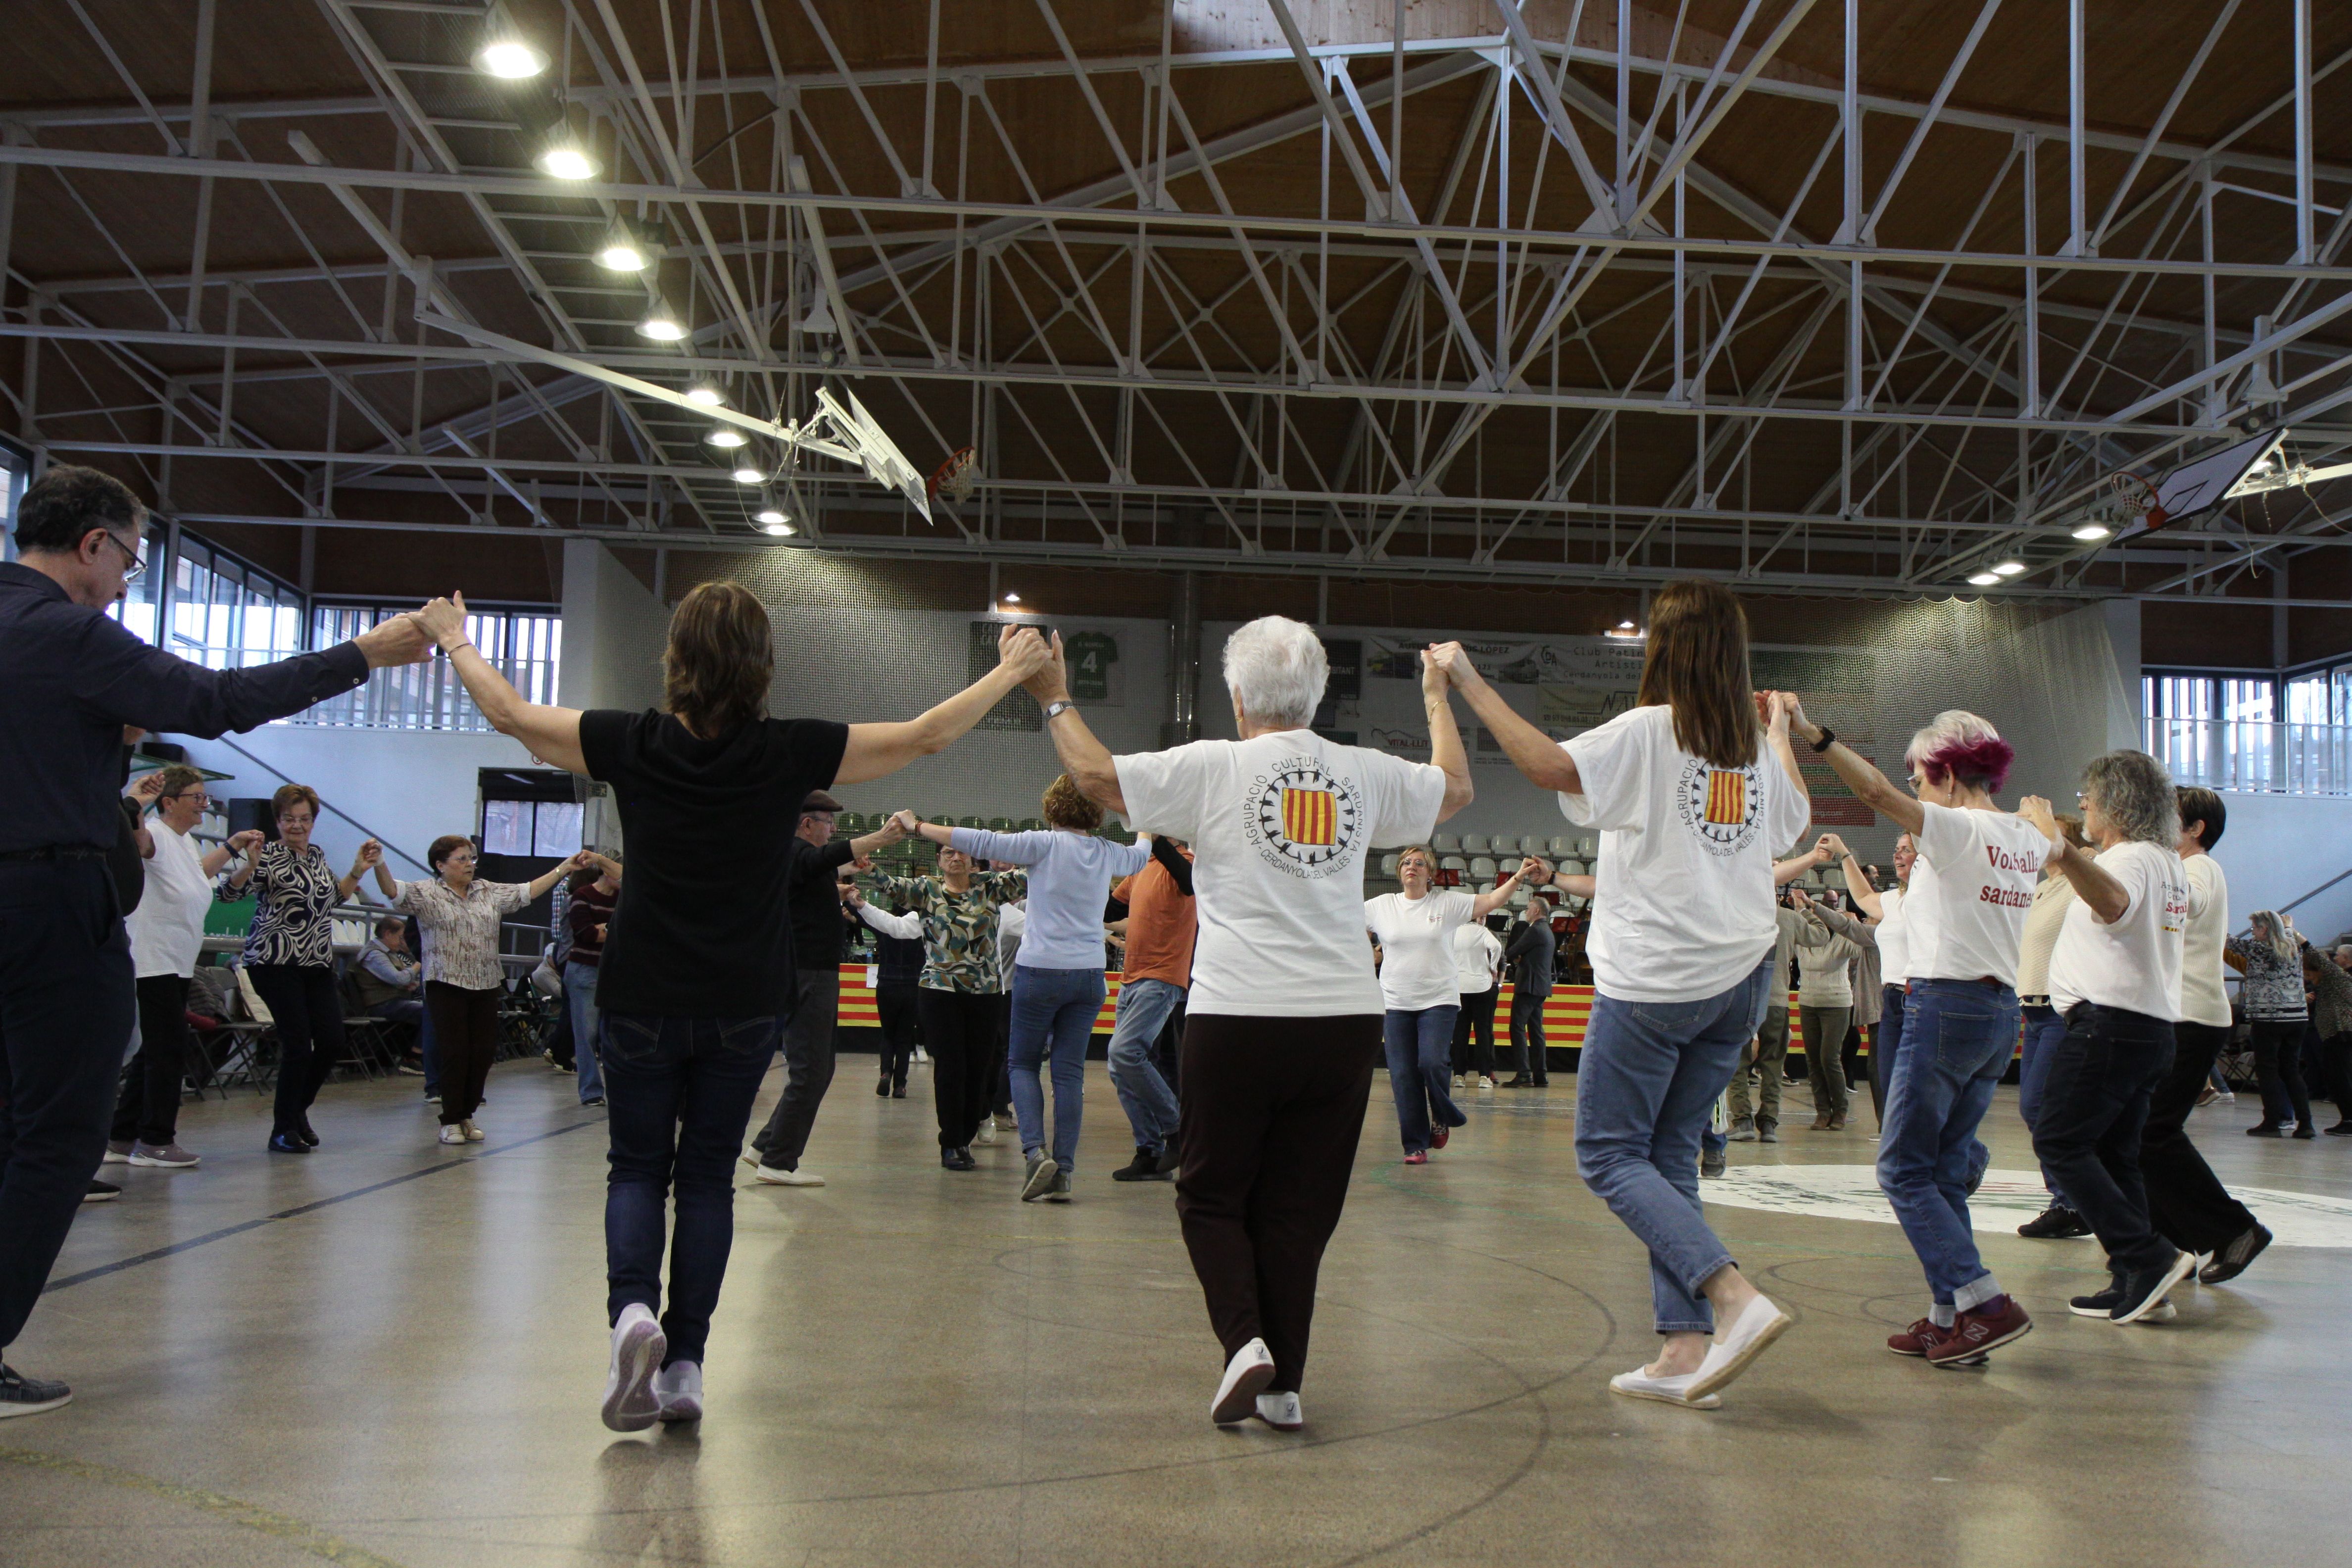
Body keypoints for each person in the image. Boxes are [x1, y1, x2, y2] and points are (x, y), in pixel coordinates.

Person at [412, 583, 1049, 1431]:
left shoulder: (631, 739)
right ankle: (684, 1365)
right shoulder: (789, 751)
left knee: (638, 1168)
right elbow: (923, 735)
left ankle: (631, 1313)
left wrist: (456, 638)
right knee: (708, 1177)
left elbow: (513, 715)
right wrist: (1008, 672)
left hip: (641, 989)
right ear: (763, 663)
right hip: (745, 995)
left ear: (676, 657)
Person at [0, 462, 431, 1417]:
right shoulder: (69, 632)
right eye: (129, 561)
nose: (127, 583)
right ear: (93, 543)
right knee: (59, 1132)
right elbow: (219, 697)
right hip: (50, 905)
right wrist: (364, 652)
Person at [1026, 615, 1470, 1430]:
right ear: (1318, 696)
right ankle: (1283, 1388)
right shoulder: (1363, 771)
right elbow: (1455, 788)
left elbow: (1094, 776)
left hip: (1239, 1014)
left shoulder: (1213, 767)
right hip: (1343, 1019)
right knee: (1298, 1211)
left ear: (1237, 698)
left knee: (1209, 1194)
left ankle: (1243, 1343)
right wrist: (1437, 696)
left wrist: (1054, 694)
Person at [1434, 578, 1809, 1410]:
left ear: (1664, 650)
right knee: (1669, 1154)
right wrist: (1782, 732)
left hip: (1659, 980)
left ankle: (1732, 1296)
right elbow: (1792, 822)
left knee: (1606, 1154)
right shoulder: (1750, 744)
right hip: (1741, 978)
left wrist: (1467, 681)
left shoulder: (1649, 731)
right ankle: (1683, 1348)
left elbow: (1547, 766)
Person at [1788, 705, 2042, 1367]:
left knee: (1902, 1170)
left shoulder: (1958, 828)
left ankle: (1986, 1302)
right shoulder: (2024, 837)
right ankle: (1950, 1317)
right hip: (1998, 1012)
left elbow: (1874, 792)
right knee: (1944, 1172)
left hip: (1946, 1006)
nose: (1916, 794)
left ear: (1949, 776)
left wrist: (1816, 736)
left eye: (1922, 780)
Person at [894, 783, 1149, 1201]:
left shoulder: (1041, 844)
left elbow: (978, 841)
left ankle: (1035, 1154)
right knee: (1069, 1074)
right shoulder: (1107, 852)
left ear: (1052, 809)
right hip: (1089, 974)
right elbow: (1141, 854)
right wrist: (1142, 819)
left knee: (1023, 1064)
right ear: (1096, 813)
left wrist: (917, 826)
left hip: (1041, 971)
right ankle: (1064, 1172)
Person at [2018, 756, 2200, 1326]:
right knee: (2116, 1155)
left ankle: (2149, 1256)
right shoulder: (2166, 862)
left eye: (2088, 799)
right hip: (2145, 1028)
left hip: (2111, 1026)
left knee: (2059, 1141)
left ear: (2116, 805)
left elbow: (2115, 904)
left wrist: (2062, 849)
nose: (2085, 808)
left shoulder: (2131, 858)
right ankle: (2138, 1282)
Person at [371, 836, 587, 1144]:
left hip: (485, 983)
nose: (469, 865)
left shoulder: (487, 890)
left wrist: (564, 868)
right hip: (445, 983)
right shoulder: (427, 893)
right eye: (461, 859)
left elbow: (527, 891)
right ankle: (450, 1120)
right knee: (454, 1052)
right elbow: (392, 890)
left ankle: (467, 1114)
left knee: (483, 1053)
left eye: (471, 859)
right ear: (440, 865)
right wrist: (379, 862)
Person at [221, 786, 391, 1155]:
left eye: (304, 819)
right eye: (289, 819)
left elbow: (333, 899)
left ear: (314, 822)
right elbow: (228, 894)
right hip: (274, 961)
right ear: (278, 821)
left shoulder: (316, 855)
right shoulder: (267, 855)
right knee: (298, 1044)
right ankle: (283, 1129)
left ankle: (297, 1111)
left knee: (332, 1041)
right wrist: (248, 864)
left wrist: (358, 870)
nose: (297, 826)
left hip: (315, 962)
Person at [746, 794, 905, 1186]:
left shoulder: (797, 860)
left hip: (810, 972)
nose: (832, 829)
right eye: (828, 823)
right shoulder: (796, 852)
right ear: (807, 824)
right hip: (809, 974)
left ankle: (766, 1146)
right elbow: (825, 858)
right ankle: (779, 1160)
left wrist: (845, 875)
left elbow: (817, 877)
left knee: (816, 1068)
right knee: (812, 1070)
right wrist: (882, 837)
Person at [102, 766, 249, 1170]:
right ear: (169, 803)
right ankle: (156, 1140)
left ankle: (120, 1137)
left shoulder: (184, 842)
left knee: (154, 1050)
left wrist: (234, 846)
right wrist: (137, 803)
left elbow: (197, 875)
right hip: (154, 960)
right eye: (196, 798)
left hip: (177, 963)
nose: (204, 804)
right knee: (167, 1050)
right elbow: (140, 844)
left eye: (205, 797)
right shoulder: (156, 832)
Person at [868, 842, 1027, 1172]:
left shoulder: (990, 886)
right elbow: (891, 886)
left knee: (980, 1068)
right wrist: (867, 868)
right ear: (939, 861)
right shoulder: (927, 889)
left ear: (973, 859)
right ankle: (952, 1143)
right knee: (951, 1067)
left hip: (986, 993)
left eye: (962, 853)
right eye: (948, 853)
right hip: (940, 992)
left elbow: (1032, 874)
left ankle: (966, 1135)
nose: (956, 858)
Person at [1366, 847, 1531, 1162]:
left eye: (1419, 863)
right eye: (1406, 863)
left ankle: (1442, 1115)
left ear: (1430, 873)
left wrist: (1518, 878)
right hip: (1396, 1002)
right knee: (1403, 1075)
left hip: (1438, 1000)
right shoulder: (1381, 905)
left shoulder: (1446, 903)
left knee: (1431, 1063)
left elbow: (1491, 900)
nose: (1412, 867)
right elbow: (1345, 922)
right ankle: (1415, 1145)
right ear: (1399, 871)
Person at [2014, 816, 2094, 1239]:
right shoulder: (2042, 887)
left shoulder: (2079, 877)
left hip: (2060, 1012)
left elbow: (2093, 864)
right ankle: (2072, 1199)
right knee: (2037, 1108)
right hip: (2034, 1013)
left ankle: (2072, 1201)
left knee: (2040, 1107)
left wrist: (2074, 847)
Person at [1104, 834, 1199, 1182]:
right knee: (1120, 1066)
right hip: (1132, 977)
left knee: (1125, 1052)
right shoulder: (1141, 868)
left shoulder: (1188, 864)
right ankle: (1149, 1152)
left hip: (1162, 976)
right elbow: (1110, 911)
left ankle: (1177, 1130)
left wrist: (1156, 837)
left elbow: (1189, 884)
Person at [2229, 910, 2315, 1138]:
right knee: (2291, 1070)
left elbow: (2226, 941)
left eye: (2254, 929)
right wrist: (2288, 927)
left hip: (2269, 1018)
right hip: (2297, 1018)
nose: (2252, 933)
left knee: (2267, 1070)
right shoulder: (2294, 946)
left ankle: (2272, 1123)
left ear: (2264, 929)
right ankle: (2306, 1124)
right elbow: (2286, 934)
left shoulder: (2258, 948)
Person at [1793, 909, 1864, 1130]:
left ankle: (1841, 1110)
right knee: (1813, 1060)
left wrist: (1853, 925)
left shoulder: (1843, 940)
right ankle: (1823, 1111)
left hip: (1837, 1004)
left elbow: (1861, 947)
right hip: (1808, 1003)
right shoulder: (1802, 941)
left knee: (1829, 1057)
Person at [564, 853, 622, 1108]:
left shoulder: (622, 898)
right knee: (587, 1034)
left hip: (613, 971)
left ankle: (618, 1090)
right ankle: (591, 1091)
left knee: (614, 1034)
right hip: (584, 971)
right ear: (606, 871)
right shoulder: (582, 896)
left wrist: (605, 928)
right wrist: (615, 927)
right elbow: (586, 934)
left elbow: (632, 929)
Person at [352, 914, 434, 1087]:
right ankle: (413, 1057)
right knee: (430, 1012)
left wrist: (407, 982)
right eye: (400, 937)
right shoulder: (375, 955)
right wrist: (417, 965)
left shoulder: (389, 953)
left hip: (392, 1000)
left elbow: (398, 980)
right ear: (388, 934)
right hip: (382, 1004)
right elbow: (398, 978)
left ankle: (418, 1054)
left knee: (431, 1008)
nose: (402, 942)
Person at [869, 888, 925, 1100]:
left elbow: (863, 918)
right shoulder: (921, 929)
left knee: (888, 1034)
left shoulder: (885, 927)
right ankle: (900, 1085)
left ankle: (885, 1073)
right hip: (912, 986)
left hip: (887, 984)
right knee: (904, 1037)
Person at [1501, 894, 1557, 1087]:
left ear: (1536, 911)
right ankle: (1541, 1075)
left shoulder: (1534, 930)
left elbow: (1511, 951)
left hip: (1529, 986)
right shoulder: (1547, 930)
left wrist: (1519, 958)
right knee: (1536, 1030)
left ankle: (1524, 1073)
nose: (1526, 911)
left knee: (1517, 1027)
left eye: (1528, 908)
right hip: (1541, 987)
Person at [1451, 915, 1505, 1093]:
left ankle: (1459, 1075)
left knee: (1460, 1033)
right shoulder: (1483, 932)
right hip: (1482, 987)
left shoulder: (1454, 931)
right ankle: (1484, 1076)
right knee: (1483, 1032)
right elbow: (1497, 947)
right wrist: (1493, 967)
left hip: (1460, 987)